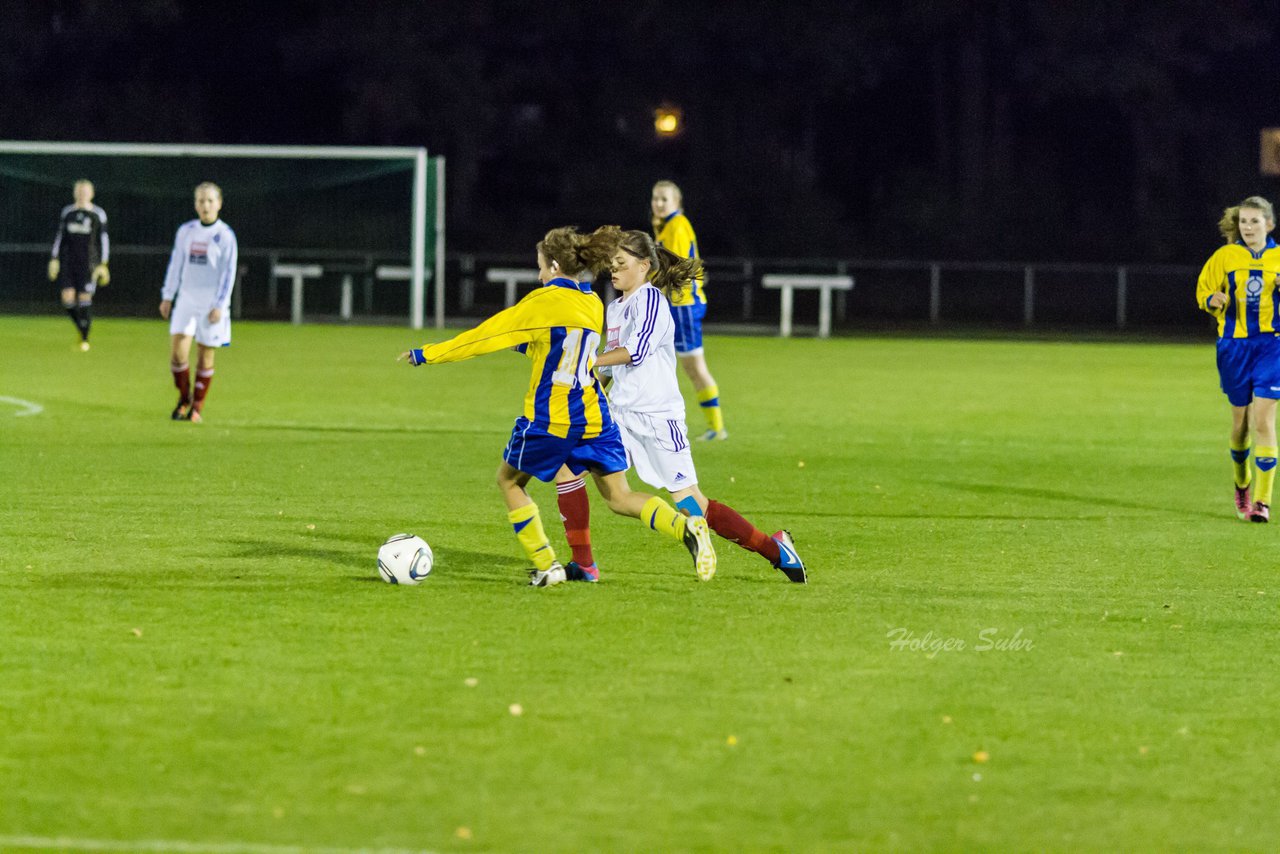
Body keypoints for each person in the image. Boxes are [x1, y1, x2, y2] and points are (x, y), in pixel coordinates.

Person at [399, 225, 716, 587]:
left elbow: (484, 336)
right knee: (618, 495)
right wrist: (530, 345)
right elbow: (563, 344)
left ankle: (546, 563)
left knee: (509, 481)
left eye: (540, 267)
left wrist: (427, 354)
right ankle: (681, 527)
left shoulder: (541, 304)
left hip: (552, 417)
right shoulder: (593, 302)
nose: (539, 274)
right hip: (596, 415)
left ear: (552, 265)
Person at [555, 230, 806, 583]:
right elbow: (612, 365)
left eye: (621, 264)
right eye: (611, 265)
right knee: (584, 476)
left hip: (659, 419)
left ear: (643, 266)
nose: (613, 271)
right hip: (620, 419)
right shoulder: (615, 307)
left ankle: (777, 551)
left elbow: (636, 350)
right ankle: (583, 564)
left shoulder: (651, 300)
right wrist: (589, 390)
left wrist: (586, 361)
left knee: (693, 505)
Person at [1197, 195, 1280, 523]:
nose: (1247, 227)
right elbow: (1204, 290)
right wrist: (1212, 298)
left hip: (1271, 345)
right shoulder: (1225, 256)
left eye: (1255, 221)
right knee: (1241, 425)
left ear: (1269, 225)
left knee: (1263, 421)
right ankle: (1242, 481)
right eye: (1243, 221)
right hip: (1234, 346)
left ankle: (1262, 502)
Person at [650, 179, 727, 440]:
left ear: (677, 203)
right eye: (655, 198)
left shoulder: (677, 226)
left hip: (682, 306)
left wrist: (653, 295)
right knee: (660, 363)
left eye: (664, 199)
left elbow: (679, 269)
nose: (658, 203)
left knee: (694, 368)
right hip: (677, 305)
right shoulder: (665, 226)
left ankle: (717, 428)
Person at [160, 182, 238, 424]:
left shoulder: (225, 235)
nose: (205, 205)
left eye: (210, 201)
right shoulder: (186, 231)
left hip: (211, 304)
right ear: (195, 204)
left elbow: (228, 273)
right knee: (178, 355)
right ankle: (184, 398)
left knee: (205, 357)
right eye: (201, 201)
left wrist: (220, 304)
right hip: (186, 299)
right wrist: (168, 295)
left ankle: (197, 407)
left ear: (219, 204)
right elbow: (176, 263)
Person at [49, 179, 110, 351]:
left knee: (84, 299)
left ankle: (84, 338)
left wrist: (103, 264)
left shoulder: (98, 213)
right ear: (75, 193)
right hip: (69, 262)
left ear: (91, 194)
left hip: (89, 264)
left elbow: (104, 240)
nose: (82, 194)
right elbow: (60, 237)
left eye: (85, 192)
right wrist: (54, 258)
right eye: (79, 191)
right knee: (67, 299)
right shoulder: (68, 212)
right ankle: (81, 328)